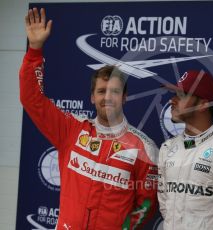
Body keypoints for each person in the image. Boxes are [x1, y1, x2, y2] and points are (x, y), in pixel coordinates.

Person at [20, 8, 158, 230]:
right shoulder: (71, 130)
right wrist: (35, 51)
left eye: (115, 91)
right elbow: (31, 99)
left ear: (125, 97)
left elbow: (147, 206)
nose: (108, 97)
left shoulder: (144, 148)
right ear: (92, 97)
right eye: (102, 91)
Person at [157, 70, 213, 230]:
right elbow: (165, 205)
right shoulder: (167, 148)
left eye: (182, 95)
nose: (172, 100)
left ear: (203, 105)